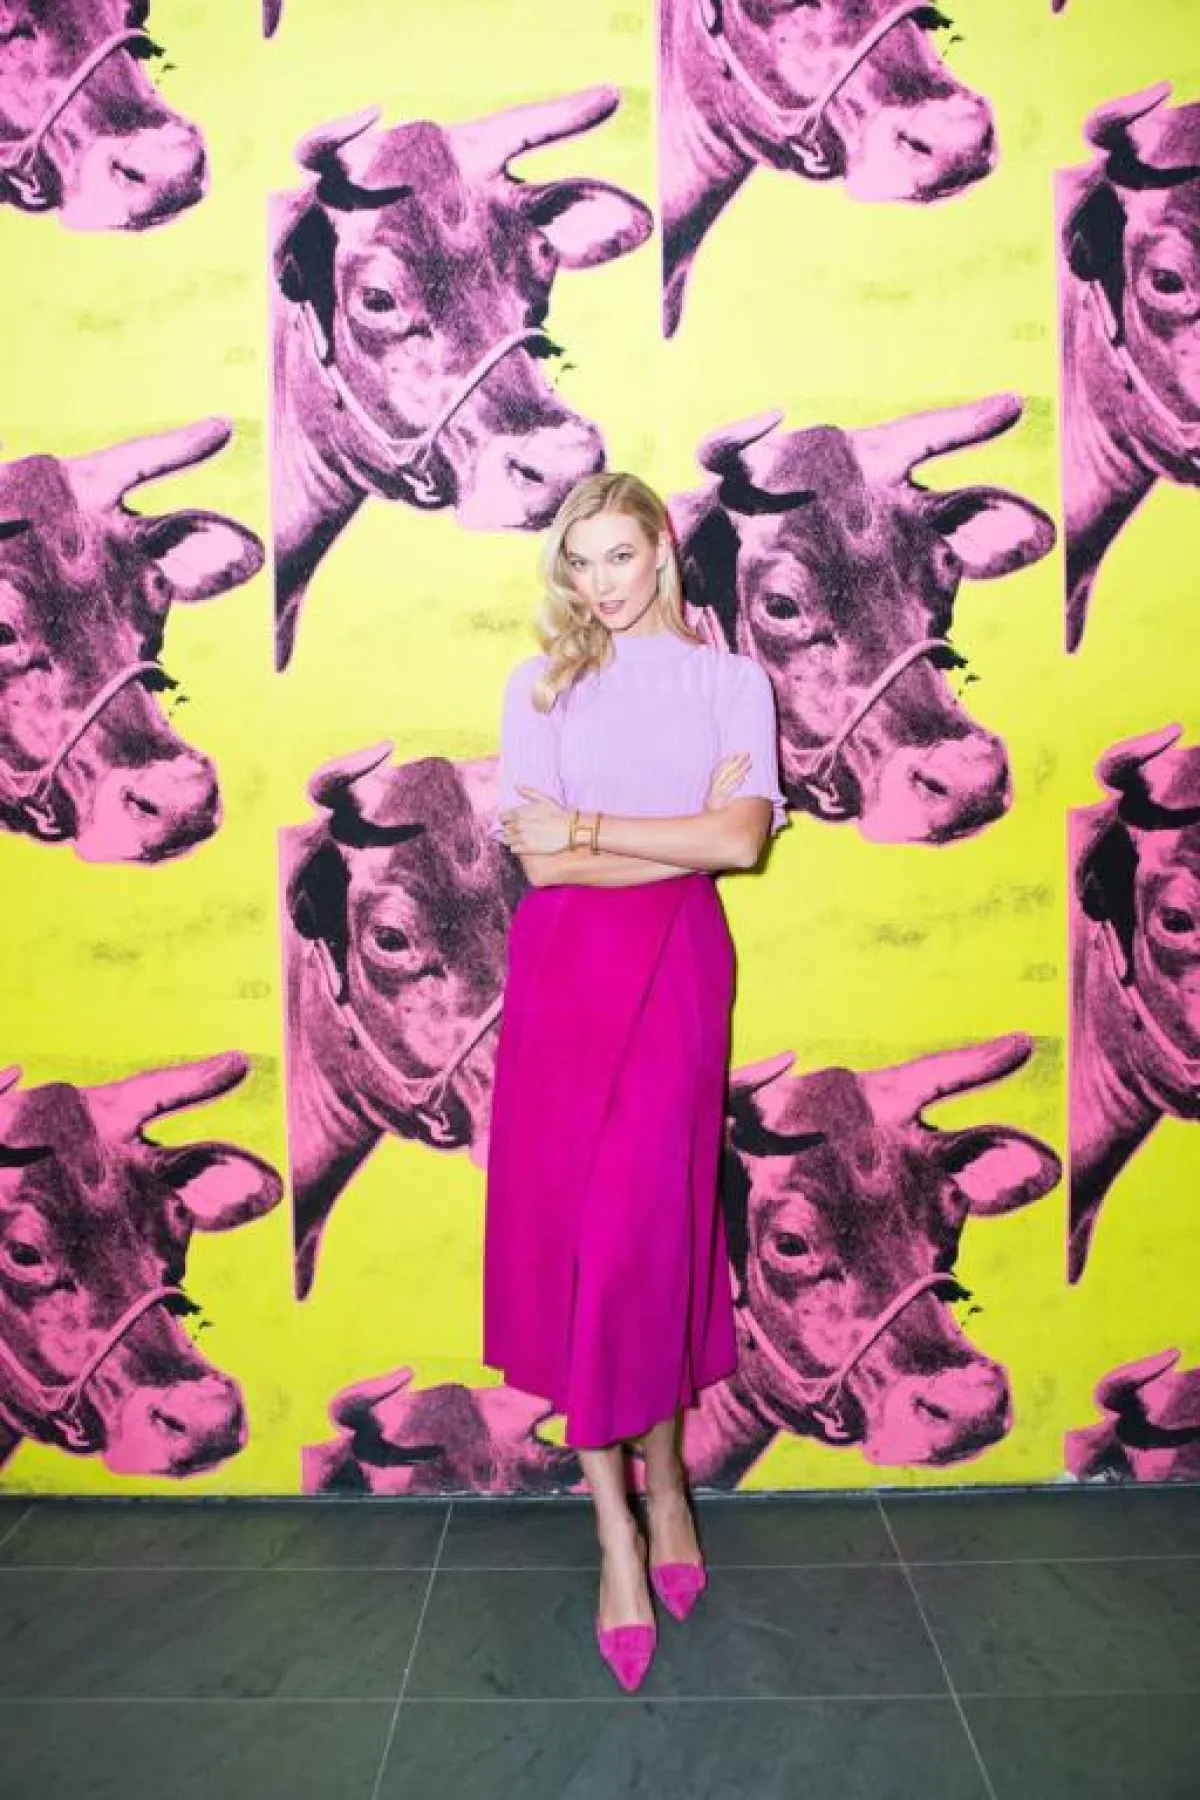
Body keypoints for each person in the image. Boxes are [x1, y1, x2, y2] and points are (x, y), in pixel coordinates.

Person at [485, 471, 785, 1692]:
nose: (602, 582)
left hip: (678, 978)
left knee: (648, 1245)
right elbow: (541, 870)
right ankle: (617, 1524)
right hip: (563, 984)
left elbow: (741, 841)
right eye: (582, 562)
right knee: (585, 1252)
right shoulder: (540, 685)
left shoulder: (731, 684)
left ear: (663, 548)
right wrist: (659, 837)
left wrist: (594, 828)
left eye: (620, 554)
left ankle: (668, 1483)